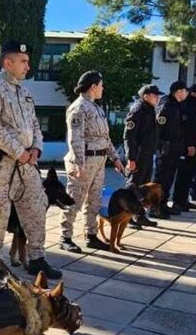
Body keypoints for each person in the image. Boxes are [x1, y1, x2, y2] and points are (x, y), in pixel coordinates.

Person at [0, 40, 62, 281]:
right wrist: (19, 151)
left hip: (28, 164)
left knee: (36, 208)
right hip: (3, 163)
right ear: (8, 62)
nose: (28, 66)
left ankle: (36, 259)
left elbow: (35, 124)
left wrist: (36, 148)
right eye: (23, 61)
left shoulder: (24, 92)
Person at [60, 71, 124, 252]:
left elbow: (105, 138)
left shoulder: (96, 108)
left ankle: (91, 235)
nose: (103, 88)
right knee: (74, 199)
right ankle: (65, 236)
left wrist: (115, 158)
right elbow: (75, 138)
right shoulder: (78, 108)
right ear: (93, 86)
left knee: (94, 200)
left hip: (99, 159)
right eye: (101, 85)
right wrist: (79, 163)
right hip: (84, 160)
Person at [123, 84, 161, 228]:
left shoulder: (150, 109)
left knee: (143, 187)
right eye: (155, 95)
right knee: (133, 186)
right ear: (146, 96)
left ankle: (140, 215)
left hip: (146, 154)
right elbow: (129, 136)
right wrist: (131, 158)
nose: (158, 98)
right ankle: (127, 216)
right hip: (138, 155)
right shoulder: (138, 110)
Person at [150, 80, 188, 218]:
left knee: (169, 179)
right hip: (166, 148)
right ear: (179, 91)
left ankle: (163, 204)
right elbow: (158, 127)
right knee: (161, 179)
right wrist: (159, 147)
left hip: (174, 148)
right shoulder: (166, 104)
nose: (187, 93)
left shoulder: (177, 105)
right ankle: (155, 207)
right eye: (185, 90)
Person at [173, 83, 196, 210]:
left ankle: (184, 199)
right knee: (184, 174)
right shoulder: (188, 105)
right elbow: (187, 128)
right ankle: (178, 200)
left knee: (190, 174)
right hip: (189, 147)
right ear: (193, 93)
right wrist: (190, 144)